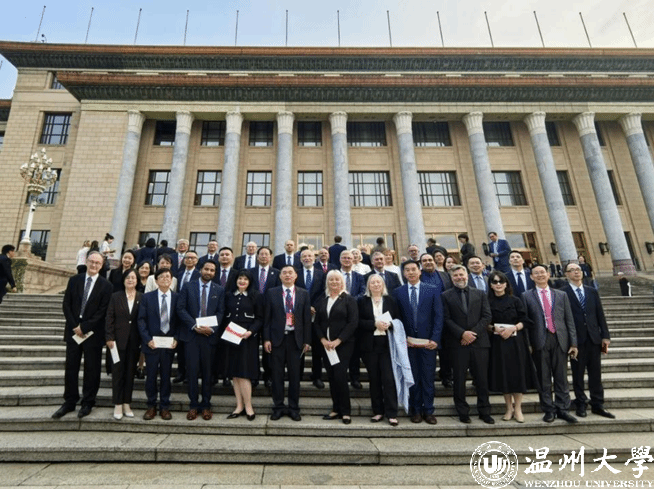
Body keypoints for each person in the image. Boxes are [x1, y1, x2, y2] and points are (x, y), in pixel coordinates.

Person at [52, 251, 113, 419]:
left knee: (92, 369)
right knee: (71, 367)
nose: (94, 265)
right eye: (91, 261)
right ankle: (69, 401)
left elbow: (103, 311)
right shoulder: (74, 280)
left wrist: (85, 327)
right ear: (86, 261)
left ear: (102, 265)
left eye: (97, 263)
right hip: (73, 331)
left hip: (93, 333)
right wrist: (75, 326)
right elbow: (66, 304)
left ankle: (88, 402)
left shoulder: (106, 286)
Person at [522, 264, 578, 424]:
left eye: (542, 272)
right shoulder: (526, 296)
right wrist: (528, 344)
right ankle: (548, 410)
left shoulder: (561, 295)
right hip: (540, 340)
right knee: (543, 378)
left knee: (561, 377)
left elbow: (569, 319)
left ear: (548, 274)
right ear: (531, 277)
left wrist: (573, 343)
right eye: (536, 273)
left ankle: (563, 409)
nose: (540, 275)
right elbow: (525, 322)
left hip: (560, 339)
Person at [441, 264, 494, 424]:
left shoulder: (480, 293)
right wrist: (462, 334)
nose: (459, 277)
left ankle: (484, 411)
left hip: (479, 343)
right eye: (455, 275)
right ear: (452, 278)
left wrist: (472, 334)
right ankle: (462, 411)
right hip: (458, 344)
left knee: (482, 379)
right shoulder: (445, 296)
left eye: (461, 274)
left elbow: (487, 316)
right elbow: (446, 319)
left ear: (467, 275)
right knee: (459, 379)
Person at [392, 260, 442, 424]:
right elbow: (397, 318)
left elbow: (438, 316)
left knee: (427, 377)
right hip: (408, 344)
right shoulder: (398, 292)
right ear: (403, 273)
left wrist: (435, 339)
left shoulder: (432, 290)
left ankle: (428, 410)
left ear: (419, 271)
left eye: (413, 269)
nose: (411, 272)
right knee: (412, 377)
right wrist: (402, 339)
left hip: (428, 343)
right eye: (407, 270)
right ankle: (416, 410)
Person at [563, 263, 614, 419]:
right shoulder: (562, 293)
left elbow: (600, 314)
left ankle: (598, 404)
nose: (576, 272)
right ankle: (581, 403)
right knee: (578, 374)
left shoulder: (592, 291)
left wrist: (605, 335)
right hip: (576, 341)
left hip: (594, 339)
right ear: (566, 274)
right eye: (572, 270)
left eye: (578, 269)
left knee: (595, 374)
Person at [176, 260, 225, 421]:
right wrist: (194, 325)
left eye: (212, 270)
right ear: (200, 269)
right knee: (191, 372)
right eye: (206, 269)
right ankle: (193, 405)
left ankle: (205, 405)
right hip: (191, 336)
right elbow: (180, 308)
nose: (209, 272)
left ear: (215, 273)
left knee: (207, 373)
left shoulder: (219, 289)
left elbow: (221, 312)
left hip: (209, 337)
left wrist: (212, 328)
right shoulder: (188, 286)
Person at [264, 265, 311, 421]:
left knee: (295, 376)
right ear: (280, 276)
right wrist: (266, 339)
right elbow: (267, 318)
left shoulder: (303, 293)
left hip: (295, 340)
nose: (287, 275)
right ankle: (278, 407)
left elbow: (306, 319)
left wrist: (307, 340)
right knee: (276, 376)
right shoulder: (272, 293)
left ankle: (293, 408)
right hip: (277, 340)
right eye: (284, 272)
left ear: (296, 275)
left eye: (290, 272)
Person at [486, 270, 533, 423]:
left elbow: (525, 320)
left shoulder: (515, 300)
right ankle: (508, 408)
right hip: (498, 343)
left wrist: (513, 328)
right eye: (495, 282)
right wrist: (493, 328)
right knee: (504, 375)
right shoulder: (486, 301)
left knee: (517, 374)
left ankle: (518, 408)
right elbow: (485, 322)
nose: (498, 284)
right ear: (491, 285)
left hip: (516, 342)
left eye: (501, 281)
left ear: (506, 284)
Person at [315, 270, 359, 424]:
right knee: (332, 377)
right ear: (327, 282)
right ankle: (336, 409)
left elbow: (353, 322)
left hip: (343, 345)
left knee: (340, 376)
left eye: (337, 279)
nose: (334, 282)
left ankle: (345, 411)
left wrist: (338, 340)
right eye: (331, 279)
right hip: (327, 346)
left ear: (342, 282)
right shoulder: (323, 299)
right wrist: (322, 339)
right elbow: (317, 322)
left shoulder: (348, 299)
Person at [358, 274, 401, 426]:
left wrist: (390, 325)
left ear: (383, 285)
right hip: (369, 345)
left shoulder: (391, 301)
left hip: (387, 344)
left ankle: (391, 413)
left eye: (378, 282)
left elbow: (398, 319)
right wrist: (374, 324)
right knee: (374, 379)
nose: (376, 284)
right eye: (373, 282)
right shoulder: (362, 301)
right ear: (368, 286)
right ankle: (377, 411)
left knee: (388, 379)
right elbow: (358, 322)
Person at [138, 267, 178, 421]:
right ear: (156, 281)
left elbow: (180, 321)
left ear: (172, 280)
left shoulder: (177, 297)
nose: (165, 279)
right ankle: (151, 405)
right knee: (151, 376)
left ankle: (165, 406)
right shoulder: (147, 297)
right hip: (152, 344)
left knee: (166, 376)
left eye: (168, 276)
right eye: (161, 277)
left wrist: (176, 339)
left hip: (169, 345)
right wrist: (147, 339)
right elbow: (141, 320)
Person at [223, 269, 263, 420]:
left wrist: (251, 331)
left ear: (250, 282)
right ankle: (239, 406)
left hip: (247, 339)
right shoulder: (229, 295)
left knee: (244, 373)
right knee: (235, 373)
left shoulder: (256, 296)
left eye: (245, 279)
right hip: (231, 338)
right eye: (240, 278)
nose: (242, 281)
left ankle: (249, 407)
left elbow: (260, 318)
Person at [105, 269, 142, 420]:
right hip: (117, 342)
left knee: (130, 374)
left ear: (137, 280)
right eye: (128, 277)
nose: (130, 280)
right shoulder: (115, 296)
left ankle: (127, 403)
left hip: (134, 342)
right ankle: (118, 404)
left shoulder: (142, 297)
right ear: (123, 280)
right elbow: (109, 318)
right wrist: (109, 337)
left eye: (133, 277)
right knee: (118, 373)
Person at [295, 248, 327, 389]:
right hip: (299, 316)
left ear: (314, 258)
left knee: (317, 349)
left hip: (317, 316)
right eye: (304, 256)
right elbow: (294, 291)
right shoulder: (296, 273)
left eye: (309, 256)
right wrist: (306, 306)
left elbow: (323, 292)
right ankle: (298, 375)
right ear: (301, 259)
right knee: (299, 347)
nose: (307, 258)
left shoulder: (321, 274)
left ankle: (317, 376)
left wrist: (314, 306)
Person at [253, 246, 281, 387]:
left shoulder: (277, 273)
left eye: (266, 254)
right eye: (261, 254)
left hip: (271, 315)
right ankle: (253, 375)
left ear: (270, 257)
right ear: (257, 257)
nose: (264, 256)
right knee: (251, 347)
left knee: (268, 346)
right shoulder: (250, 272)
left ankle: (268, 375)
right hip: (252, 314)